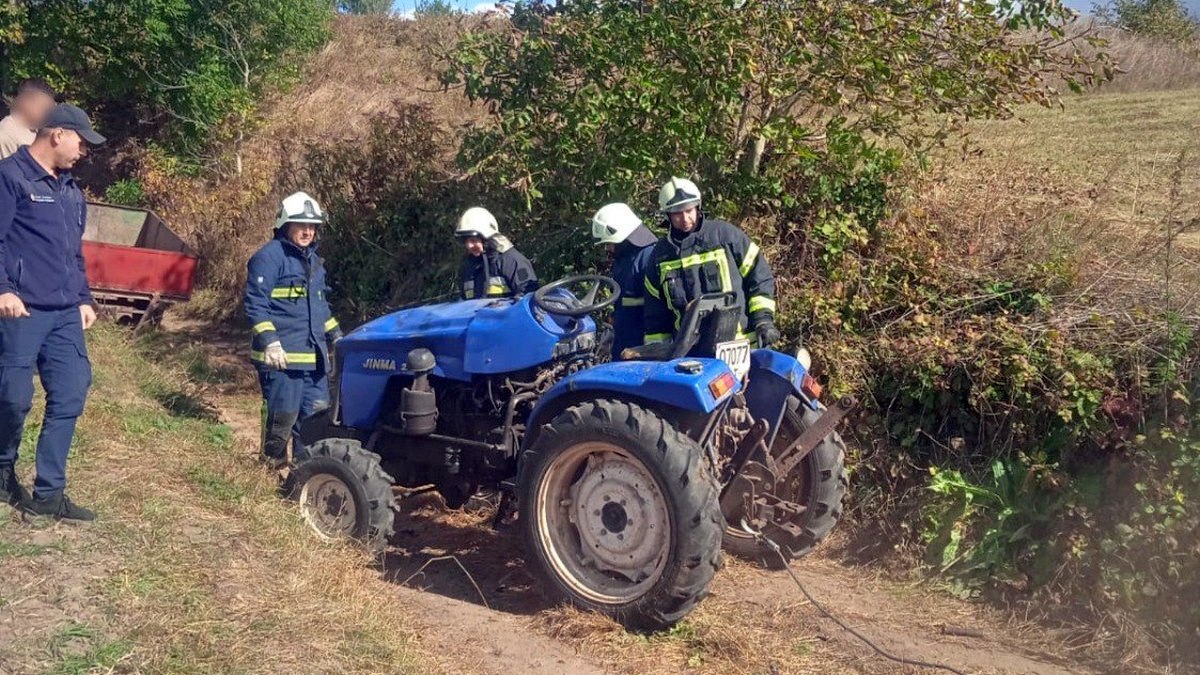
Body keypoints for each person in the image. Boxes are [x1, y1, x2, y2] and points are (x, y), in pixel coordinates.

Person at [0, 103, 106, 521]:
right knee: (13, 398)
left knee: (71, 391)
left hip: (64, 312)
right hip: (21, 310)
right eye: (81, 141)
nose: (84, 151)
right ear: (57, 134)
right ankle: (3, 467)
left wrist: (83, 297)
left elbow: (72, 254)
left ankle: (48, 494)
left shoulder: (70, 190)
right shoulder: (10, 177)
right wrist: (3, 289)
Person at [243, 191, 342, 468]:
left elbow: (321, 307)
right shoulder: (268, 257)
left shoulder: (314, 262)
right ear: (286, 225)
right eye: (302, 225)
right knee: (281, 420)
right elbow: (256, 304)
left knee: (316, 423)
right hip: (282, 360)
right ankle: (269, 473)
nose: (308, 231)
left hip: (314, 361)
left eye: (312, 227)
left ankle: (302, 477)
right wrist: (270, 342)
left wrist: (337, 337)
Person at [642, 177, 779, 349]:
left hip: (740, 346)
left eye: (689, 210)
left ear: (698, 206)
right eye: (677, 213)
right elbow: (655, 313)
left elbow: (760, 277)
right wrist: (657, 351)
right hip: (691, 356)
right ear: (667, 215)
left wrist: (763, 320)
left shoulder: (725, 236)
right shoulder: (660, 256)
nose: (685, 219)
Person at [590, 202, 658, 359]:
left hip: (641, 347)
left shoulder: (649, 257)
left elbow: (655, 311)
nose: (607, 248)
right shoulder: (626, 258)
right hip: (625, 342)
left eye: (609, 243)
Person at [455, 206, 538, 300]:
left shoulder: (511, 261)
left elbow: (529, 301)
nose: (469, 246)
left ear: (487, 238)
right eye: (465, 241)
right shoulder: (468, 266)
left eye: (474, 240)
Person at [0, 79, 58, 159]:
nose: (47, 115)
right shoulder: (7, 134)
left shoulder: (33, 129)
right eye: (44, 109)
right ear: (26, 102)